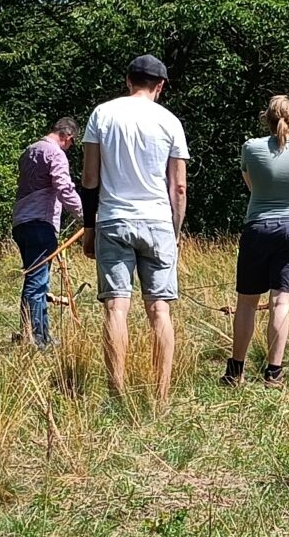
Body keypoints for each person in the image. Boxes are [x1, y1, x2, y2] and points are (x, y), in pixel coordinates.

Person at [80, 55, 190, 407]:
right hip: (158, 221)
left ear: (128, 80)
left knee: (116, 308)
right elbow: (179, 188)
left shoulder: (102, 114)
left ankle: (117, 391)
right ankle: (160, 395)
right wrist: (175, 232)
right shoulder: (170, 122)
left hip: (113, 218)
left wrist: (88, 225)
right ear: (160, 86)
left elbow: (89, 179)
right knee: (160, 310)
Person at [226, 95, 289, 387]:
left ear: (266, 118)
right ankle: (273, 372)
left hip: (258, 227)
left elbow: (252, 187)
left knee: (247, 303)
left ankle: (235, 370)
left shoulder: (250, 148)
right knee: (281, 302)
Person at [11, 116, 84, 348]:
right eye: (71, 143)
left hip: (21, 222)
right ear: (67, 137)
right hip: (40, 223)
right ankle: (37, 339)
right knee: (38, 282)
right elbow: (64, 188)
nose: (69, 147)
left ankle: (35, 334)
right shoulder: (55, 154)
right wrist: (85, 216)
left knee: (34, 278)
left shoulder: (29, 150)